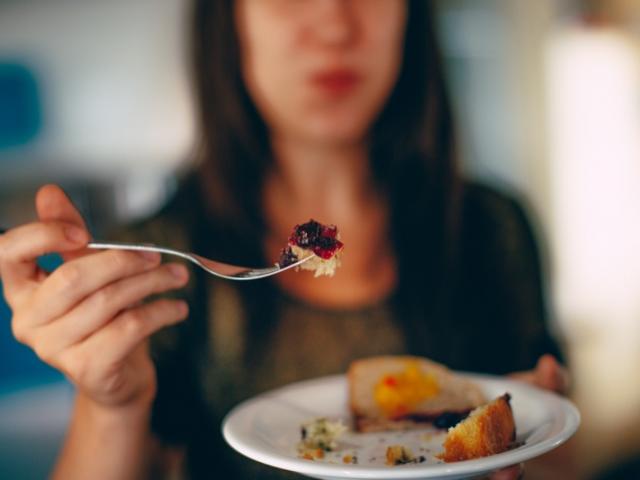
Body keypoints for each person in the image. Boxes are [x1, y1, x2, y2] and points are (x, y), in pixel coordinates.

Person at [0, 1, 571, 478]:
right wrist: (113, 404)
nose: (333, 22)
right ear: (229, 19)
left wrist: (531, 440)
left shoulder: (495, 227)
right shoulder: (148, 264)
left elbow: (555, 454)